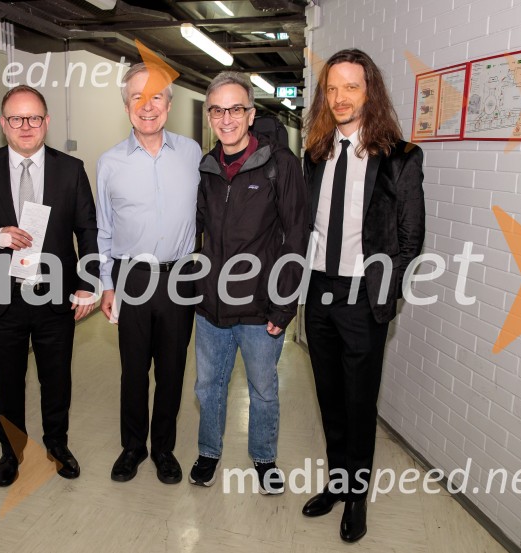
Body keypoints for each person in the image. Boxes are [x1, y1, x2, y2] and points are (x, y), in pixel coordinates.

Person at [0, 85, 99, 487]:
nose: (25, 126)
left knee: (56, 378)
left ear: (46, 122)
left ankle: (57, 444)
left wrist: (88, 283)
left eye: (34, 118)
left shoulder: (71, 169)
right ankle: (10, 451)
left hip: (55, 296)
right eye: (16, 118)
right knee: (8, 381)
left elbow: (88, 230)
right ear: (3, 123)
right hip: (3, 296)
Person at [300, 49, 425, 542]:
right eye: (331, 88)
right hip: (318, 290)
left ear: (369, 90)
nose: (340, 97)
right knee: (329, 398)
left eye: (351, 86)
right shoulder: (313, 154)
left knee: (359, 402)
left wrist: (381, 295)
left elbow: (411, 239)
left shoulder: (400, 157)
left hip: (361, 296)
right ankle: (336, 481)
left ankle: (357, 498)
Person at [189, 72, 308, 494]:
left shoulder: (281, 165)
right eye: (217, 110)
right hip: (211, 307)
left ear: (251, 114)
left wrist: (284, 305)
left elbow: (296, 236)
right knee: (208, 385)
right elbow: (195, 233)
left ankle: (264, 459)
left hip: (261, 308)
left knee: (263, 389)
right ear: (209, 116)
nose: (227, 118)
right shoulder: (205, 167)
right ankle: (208, 452)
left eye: (235, 109)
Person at [96, 63, 202, 484]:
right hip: (131, 278)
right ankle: (133, 448)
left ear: (169, 105)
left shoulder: (192, 154)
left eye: (156, 96)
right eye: (137, 97)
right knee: (134, 370)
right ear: (126, 107)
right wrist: (106, 284)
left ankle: (164, 449)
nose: (147, 105)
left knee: (172, 370)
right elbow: (104, 228)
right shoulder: (108, 163)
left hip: (180, 277)